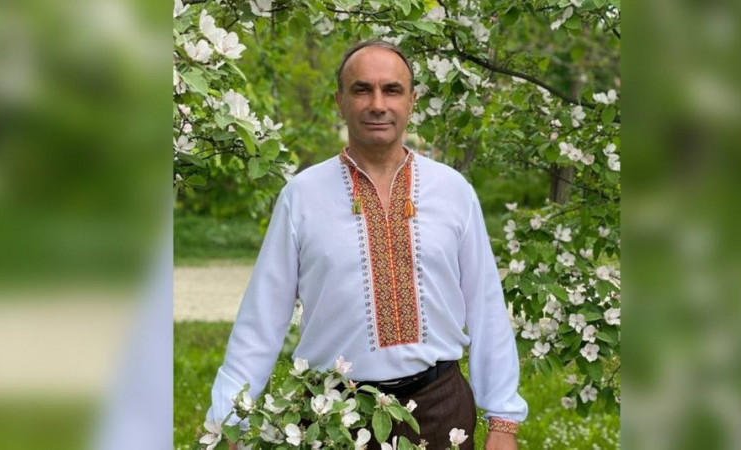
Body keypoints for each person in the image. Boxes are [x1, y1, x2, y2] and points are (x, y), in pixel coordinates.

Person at [207, 40, 527, 449]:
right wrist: (229, 419)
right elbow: (261, 319)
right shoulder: (301, 196)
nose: (378, 104)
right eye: (362, 90)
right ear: (340, 102)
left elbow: (486, 308)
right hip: (332, 415)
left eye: (392, 90)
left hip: (439, 407)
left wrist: (503, 421)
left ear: (412, 101)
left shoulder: (453, 191)